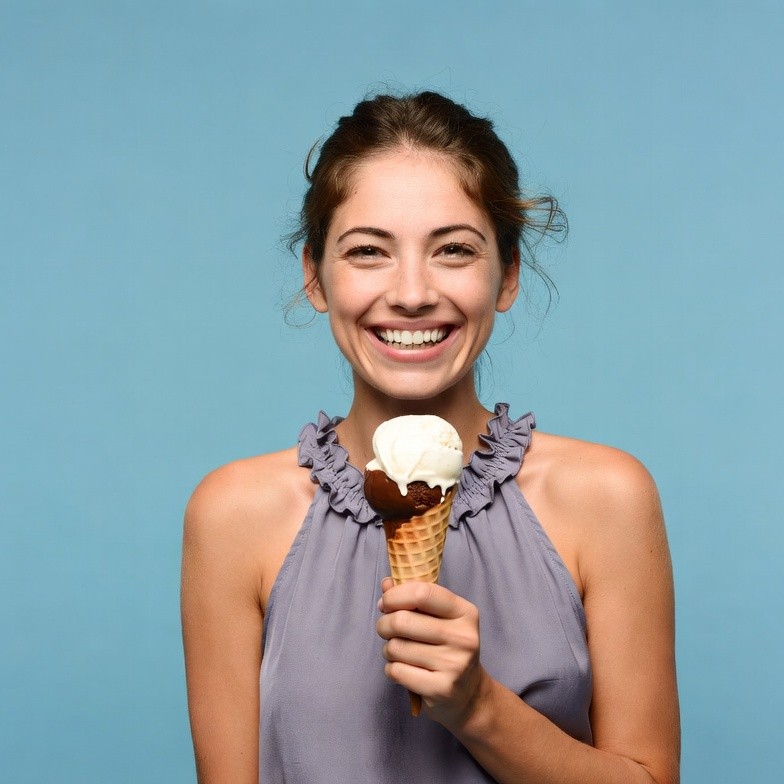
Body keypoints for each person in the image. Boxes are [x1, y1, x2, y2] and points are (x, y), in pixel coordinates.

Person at [180, 91, 680, 784]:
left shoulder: (605, 498)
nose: (412, 292)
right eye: (367, 251)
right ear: (314, 276)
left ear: (506, 274)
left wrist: (477, 707)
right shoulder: (234, 515)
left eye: (452, 250)